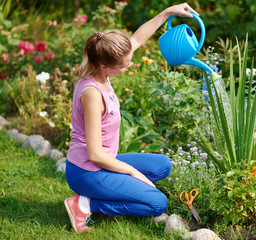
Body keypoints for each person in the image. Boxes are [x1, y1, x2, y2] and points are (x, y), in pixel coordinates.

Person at [64, 3, 199, 233]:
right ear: (106, 66)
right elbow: (95, 155)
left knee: (162, 166)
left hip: (104, 162)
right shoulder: (92, 94)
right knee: (158, 203)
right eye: (125, 65)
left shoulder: (98, 63)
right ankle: (86, 204)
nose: (130, 64)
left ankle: (108, 192)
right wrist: (133, 173)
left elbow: (137, 38)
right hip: (88, 170)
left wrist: (168, 12)